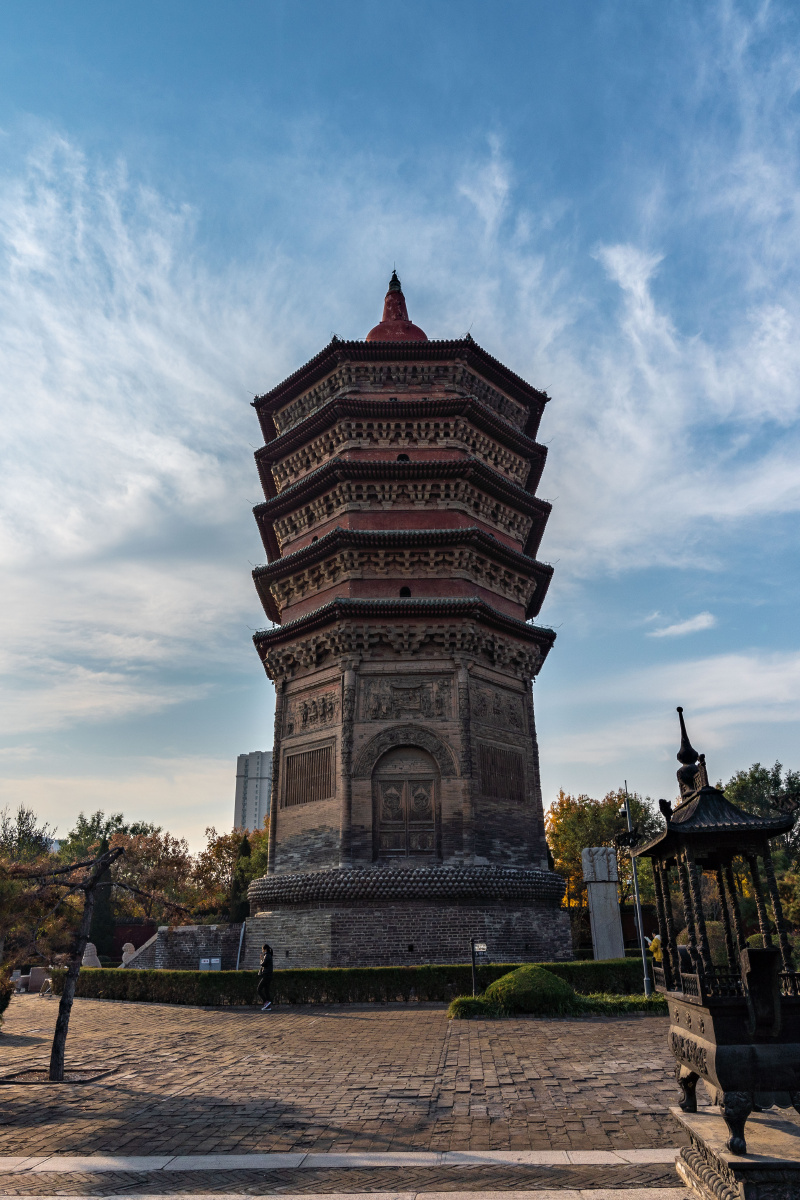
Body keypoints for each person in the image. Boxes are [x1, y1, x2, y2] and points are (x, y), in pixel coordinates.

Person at [257, 943, 274, 1012]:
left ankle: (266, 1002)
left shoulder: (267, 955)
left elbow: (263, 964)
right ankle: (268, 1006)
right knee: (266, 990)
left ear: (265, 949)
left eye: (262, 949)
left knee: (259, 989)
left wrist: (261, 959)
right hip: (269, 975)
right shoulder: (268, 955)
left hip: (266, 975)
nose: (262, 950)